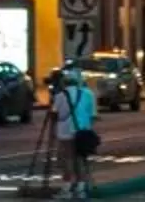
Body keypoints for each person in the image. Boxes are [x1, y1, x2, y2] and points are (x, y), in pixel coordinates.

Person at [50, 65, 101, 201]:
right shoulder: (88, 94)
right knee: (80, 160)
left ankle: (67, 188)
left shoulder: (60, 96)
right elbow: (93, 115)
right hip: (83, 132)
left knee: (67, 159)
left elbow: (54, 114)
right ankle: (81, 189)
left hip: (66, 132)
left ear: (64, 82)